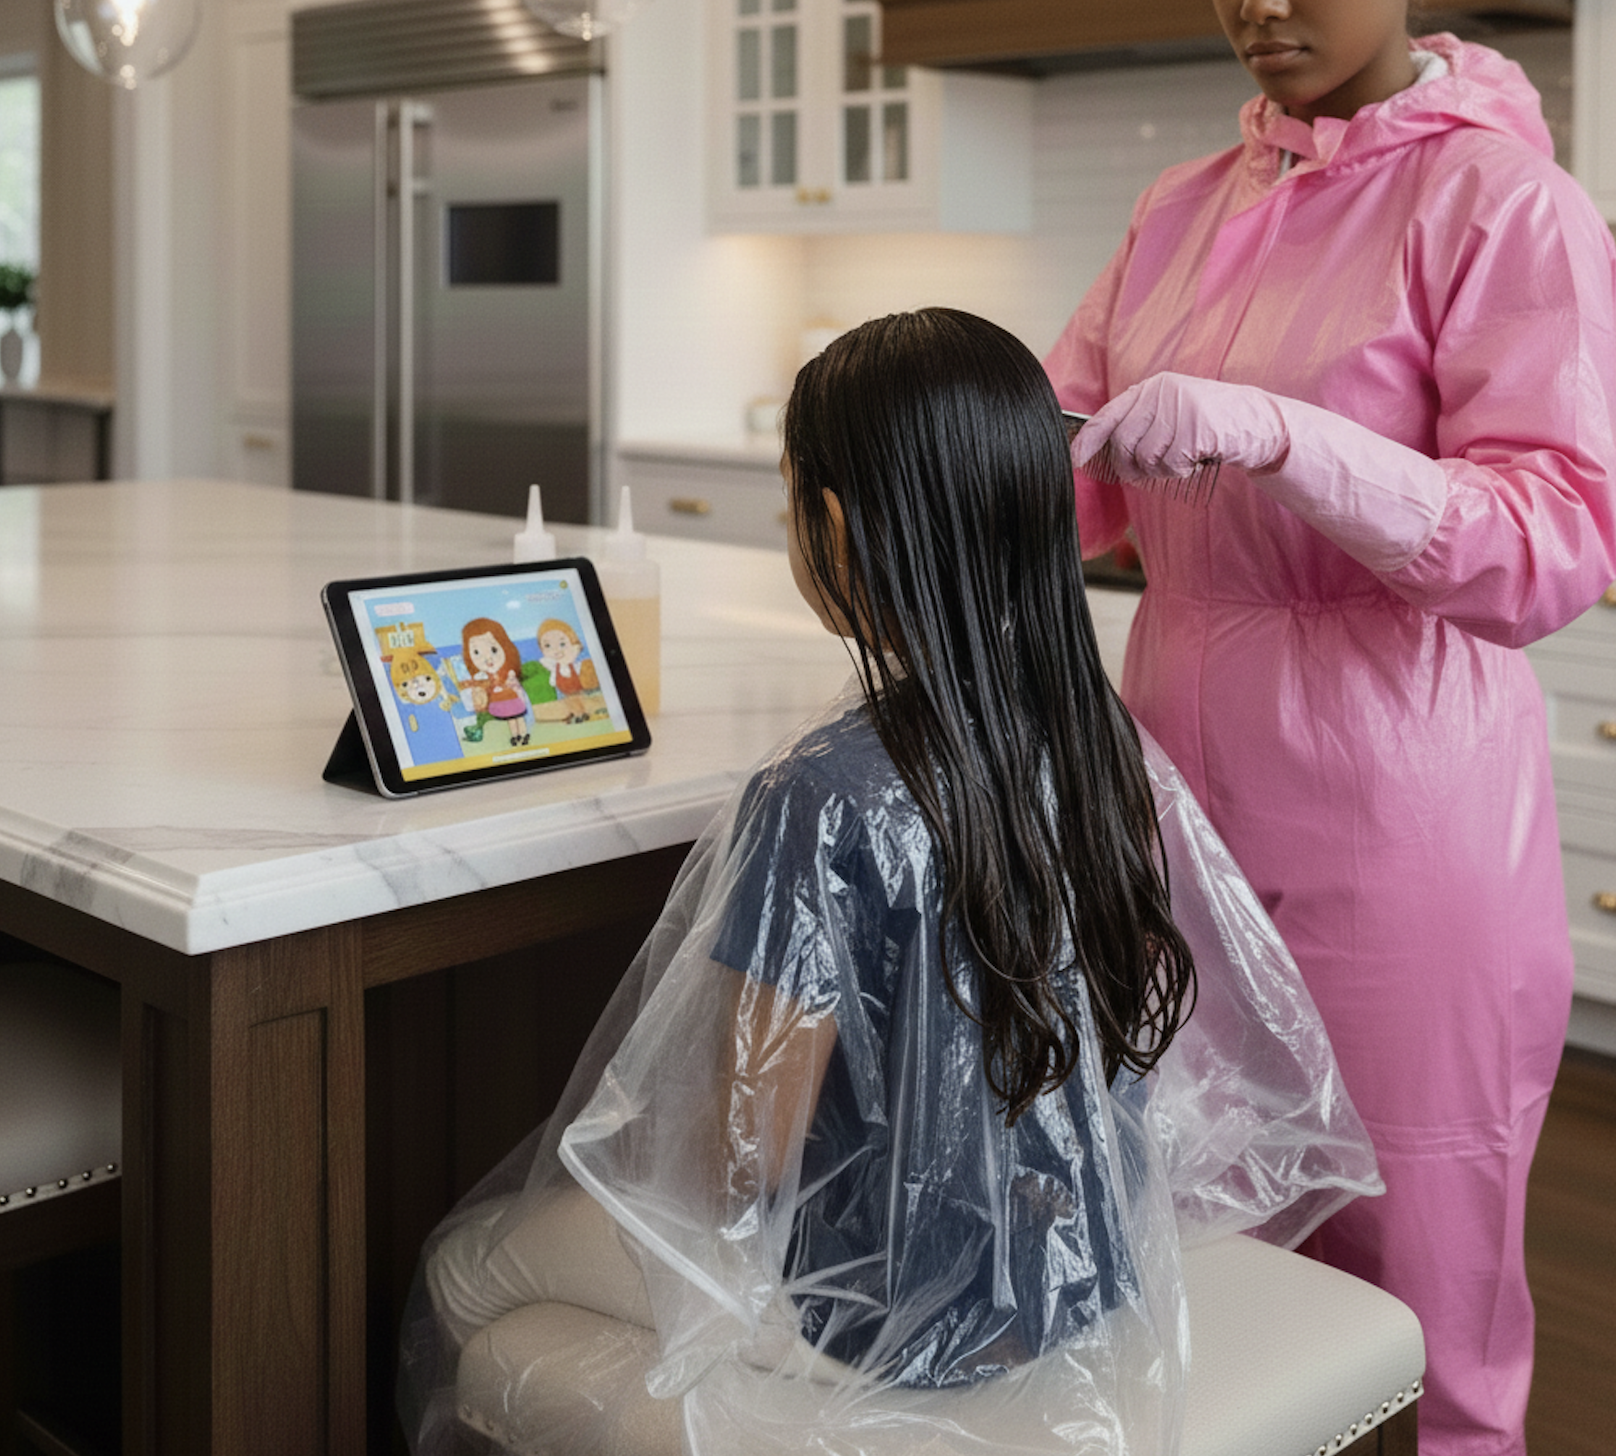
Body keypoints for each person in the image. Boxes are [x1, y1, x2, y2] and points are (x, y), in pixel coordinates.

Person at [401, 310, 1381, 1456]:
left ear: (828, 522)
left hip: (869, 1322)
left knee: (461, 1272)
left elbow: (747, 1157)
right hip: (1071, 1275)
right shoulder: (1094, 733)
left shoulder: (819, 794)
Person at [1042, 6, 1616, 1454]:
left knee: (1414, 1256)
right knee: (1196, 1222)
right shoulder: (1178, 207)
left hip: (1397, 806)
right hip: (1164, 784)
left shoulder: (1504, 206)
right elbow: (1077, 461)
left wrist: (1295, 444)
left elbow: (1559, 540)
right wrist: (941, 446)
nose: (1262, 6)